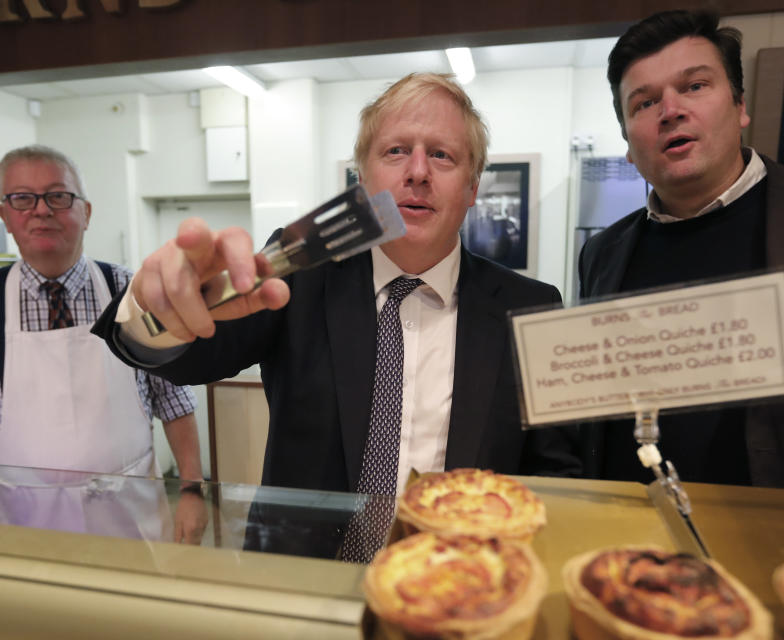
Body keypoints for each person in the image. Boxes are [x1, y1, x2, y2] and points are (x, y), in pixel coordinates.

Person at [92, 72, 581, 553]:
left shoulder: (528, 306)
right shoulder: (299, 272)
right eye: (395, 151)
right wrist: (158, 307)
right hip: (302, 587)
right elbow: (192, 360)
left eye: (442, 155)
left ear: (472, 188)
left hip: (458, 589)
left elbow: (556, 471)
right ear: (362, 179)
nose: (417, 172)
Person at [577, 9, 784, 495]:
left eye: (694, 86)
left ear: (740, 105)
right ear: (628, 143)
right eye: (644, 103)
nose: (671, 110)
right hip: (639, 541)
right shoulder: (602, 253)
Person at [0, 145, 208, 542]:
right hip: (25, 516)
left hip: (129, 513)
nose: (41, 210)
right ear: (5, 216)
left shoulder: (129, 290)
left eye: (58, 196)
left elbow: (174, 401)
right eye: (22, 198)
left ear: (86, 212)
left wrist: (192, 490)